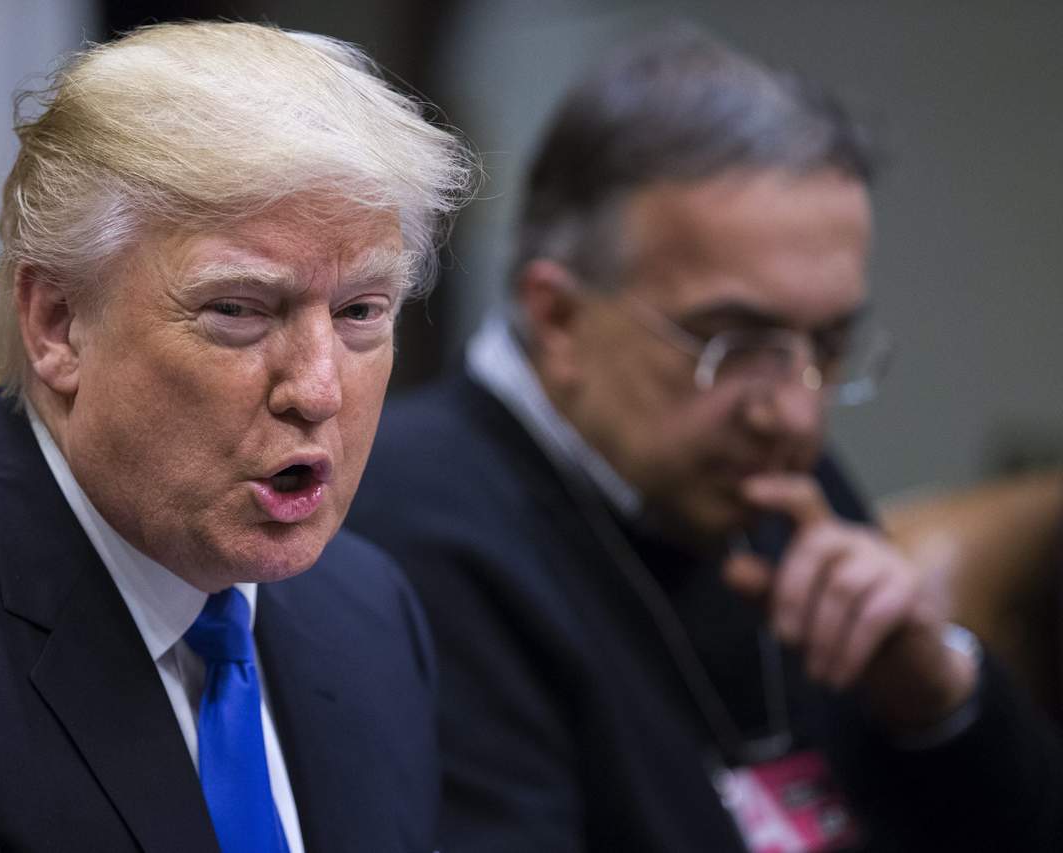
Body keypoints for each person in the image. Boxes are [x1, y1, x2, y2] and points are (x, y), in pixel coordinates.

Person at [347, 27, 1063, 852]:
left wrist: (938, 697)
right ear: (560, 317)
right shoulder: (404, 529)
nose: (795, 413)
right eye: (733, 343)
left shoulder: (764, 476)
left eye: (828, 344)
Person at [0, 22, 472, 853]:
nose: (319, 390)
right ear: (59, 323)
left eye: (360, 311)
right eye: (238, 311)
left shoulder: (369, 610)